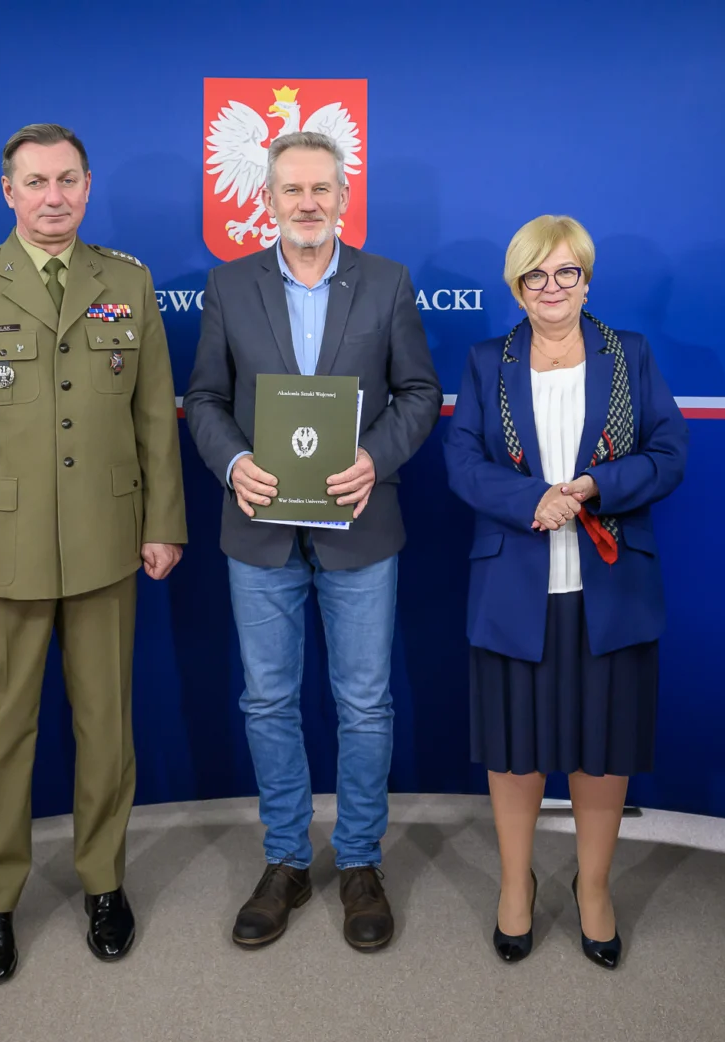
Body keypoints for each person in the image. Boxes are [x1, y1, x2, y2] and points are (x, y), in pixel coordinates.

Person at [0, 123, 187, 984]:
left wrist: (164, 522)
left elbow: (154, 417)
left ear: (88, 186)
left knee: (107, 728)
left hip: (107, 544)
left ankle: (104, 883)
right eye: (36, 181)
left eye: (67, 179)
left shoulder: (127, 282)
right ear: (9, 192)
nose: (53, 196)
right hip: (0, 553)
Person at [183, 130, 441, 951]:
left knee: (364, 703)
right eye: (291, 189)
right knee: (267, 700)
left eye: (321, 188)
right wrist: (234, 464)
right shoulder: (229, 285)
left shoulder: (388, 281)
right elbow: (205, 398)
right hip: (258, 530)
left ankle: (359, 858)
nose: (306, 203)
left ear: (343, 198)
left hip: (360, 527)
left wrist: (375, 457)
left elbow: (419, 392)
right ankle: (287, 858)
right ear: (267, 199)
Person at [441, 215, 687, 968]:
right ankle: (515, 885)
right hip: (514, 585)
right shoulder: (487, 361)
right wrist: (533, 500)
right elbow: (462, 460)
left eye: (566, 273)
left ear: (587, 280)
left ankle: (594, 887)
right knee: (514, 747)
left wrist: (592, 486)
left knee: (603, 747)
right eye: (535, 276)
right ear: (517, 287)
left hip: (609, 587)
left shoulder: (629, 355)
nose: (551, 288)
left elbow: (669, 451)